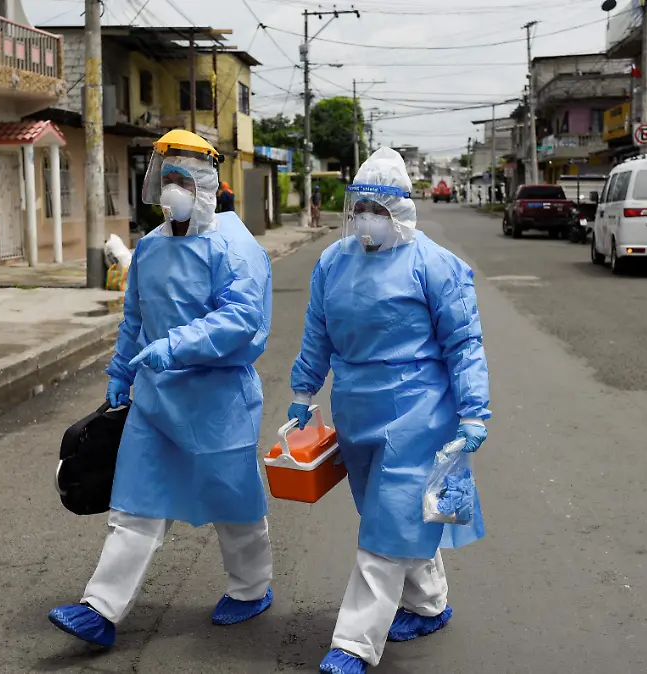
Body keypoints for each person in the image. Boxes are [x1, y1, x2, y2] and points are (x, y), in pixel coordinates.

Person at [48, 130, 275, 647]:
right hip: (155, 400)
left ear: (206, 184)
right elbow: (135, 317)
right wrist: (121, 372)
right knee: (135, 504)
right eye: (165, 178)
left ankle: (250, 588)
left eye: (182, 179)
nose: (172, 189)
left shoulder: (236, 247)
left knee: (233, 505)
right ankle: (99, 609)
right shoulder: (149, 248)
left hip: (217, 402)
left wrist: (177, 345)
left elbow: (243, 322)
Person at [287, 147, 491, 674]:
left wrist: (473, 411)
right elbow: (317, 333)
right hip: (356, 408)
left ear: (401, 209)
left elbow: (464, 342)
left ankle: (353, 642)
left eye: (379, 207)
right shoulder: (333, 263)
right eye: (360, 206)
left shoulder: (434, 264)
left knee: (386, 523)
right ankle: (428, 605)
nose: (367, 217)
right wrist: (304, 392)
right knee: (394, 515)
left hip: (418, 412)